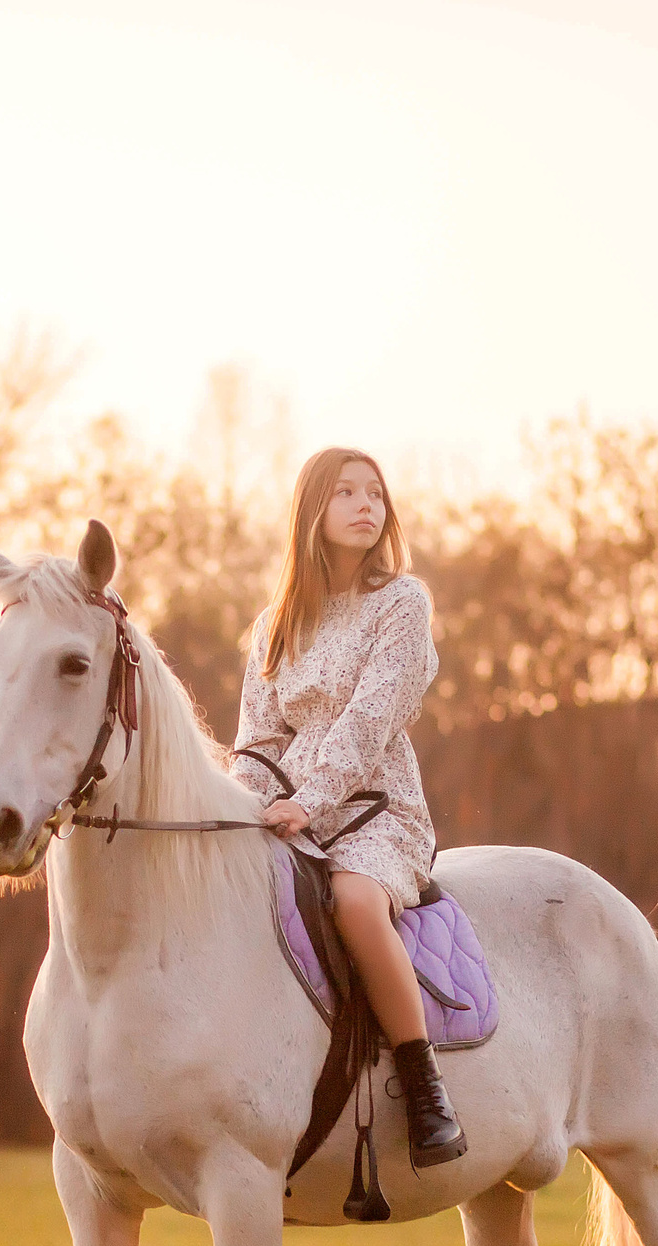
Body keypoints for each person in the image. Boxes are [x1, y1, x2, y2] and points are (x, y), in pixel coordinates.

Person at [232, 447, 466, 1166]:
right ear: (312, 511)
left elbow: (371, 718)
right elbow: (256, 741)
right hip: (292, 817)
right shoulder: (274, 625)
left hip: (377, 812)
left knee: (356, 903)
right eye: (346, 493)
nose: (367, 505)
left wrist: (310, 799)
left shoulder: (401, 604)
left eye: (375, 493)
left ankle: (426, 1089)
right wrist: (244, 807)